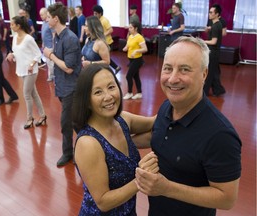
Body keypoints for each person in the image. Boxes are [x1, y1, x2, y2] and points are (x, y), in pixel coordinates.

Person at [135, 36, 242, 216]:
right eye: (168, 68)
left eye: (184, 70)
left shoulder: (220, 134)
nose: (173, 79)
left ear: (204, 74)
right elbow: (158, 135)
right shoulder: (167, 107)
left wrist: (166, 188)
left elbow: (227, 198)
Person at [72, 63, 157, 215]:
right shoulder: (88, 143)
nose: (108, 96)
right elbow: (103, 201)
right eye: (98, 92)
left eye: (111, 87)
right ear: (87, 100)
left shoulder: (122, 120)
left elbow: (155, 123)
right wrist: (142, 178)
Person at [43, 2, 82, 167]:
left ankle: (71, 153)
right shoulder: (57, 36)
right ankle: (85, 149)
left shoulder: (70, 39)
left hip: (71, 89)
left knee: (67, 123)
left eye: (49, 17)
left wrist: (50, 55)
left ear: (56, 19)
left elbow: (69, 68)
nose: (46, 20)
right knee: (75, 123)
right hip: (62, 87)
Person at [6, 16, 46, 129]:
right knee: (34, 94)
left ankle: (29, 119)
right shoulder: (14, 38)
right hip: (21, 69)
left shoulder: (28, 38)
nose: (11, 26)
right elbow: (15, 52)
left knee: (26, 94)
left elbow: (38, 54)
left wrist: (32, 64)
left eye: (12, 24)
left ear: (18, 26)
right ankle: (42, 115)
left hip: (31, 70)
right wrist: (11, 55)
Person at [204, 4, 226, 96]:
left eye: (211, 12)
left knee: (209, 73)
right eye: (209, 12)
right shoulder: (217, 25)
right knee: (214, 72)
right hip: (214, 52)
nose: (209, 14)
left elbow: (214, 41)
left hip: (213, 52)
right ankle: (218, 90)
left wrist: (202, 41)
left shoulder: (216, 26)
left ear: (217, 14)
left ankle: (204, 92)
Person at [122, 21, 147, 100]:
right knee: (136, 76)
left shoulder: (139, 37)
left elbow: (145, 49)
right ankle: (139, 93)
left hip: (137, 59)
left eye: (131, 27)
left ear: (135, 28)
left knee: (128, 76)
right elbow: (127, 46)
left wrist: (136, 51)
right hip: (131, 59)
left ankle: (129, 93)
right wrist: (125, 48)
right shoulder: (130, 36)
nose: (129, 29)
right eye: (129, 27)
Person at [93, 5, 121, 74]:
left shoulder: (104, 20)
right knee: (104, 58)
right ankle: (116, 68)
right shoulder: (98, 20)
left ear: (100, 13)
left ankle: (108, 73)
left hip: (108, 42)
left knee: (105, 59)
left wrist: (103, 35)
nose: (94, 15)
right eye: (94, 13)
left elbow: (111, 30)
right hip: (102, 42)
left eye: (96, 13)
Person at [39, 7, 54, 82]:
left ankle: (52, 76)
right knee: (48, 62)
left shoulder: (49, 23)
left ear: (46, 14)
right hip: (46, 46)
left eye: (42, 15)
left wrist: (54, 46)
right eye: (40, 15)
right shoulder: (44, 23)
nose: (41, 16)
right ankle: (51, 75)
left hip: (50, 46)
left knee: (51, 62)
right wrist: (43, 43)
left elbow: (53, 35)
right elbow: (44, 35)